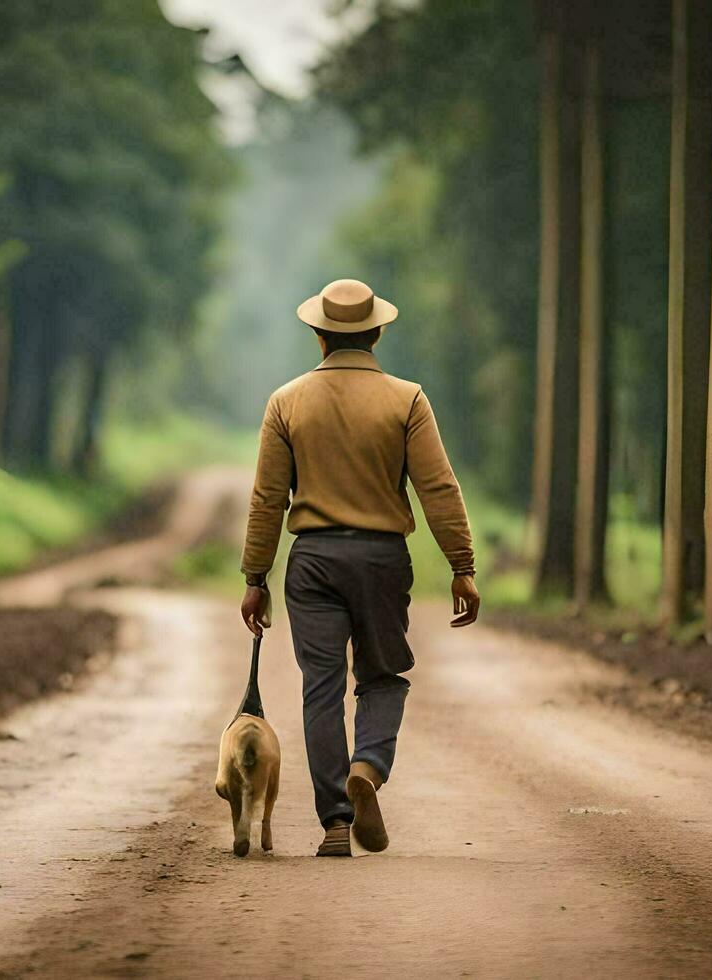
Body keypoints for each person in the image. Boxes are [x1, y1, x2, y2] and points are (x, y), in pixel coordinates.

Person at [239, 278, 480, 858]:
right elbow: (437, 487)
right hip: (380, 560)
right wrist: (462, 564)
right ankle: (368, 767)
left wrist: (255, 579)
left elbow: (268, 499)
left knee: (319, 690)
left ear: (319, 336)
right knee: (381, 676)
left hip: (313, 561)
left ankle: (336, 823)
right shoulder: (407, 400)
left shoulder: (286, 401)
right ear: (376, 333)